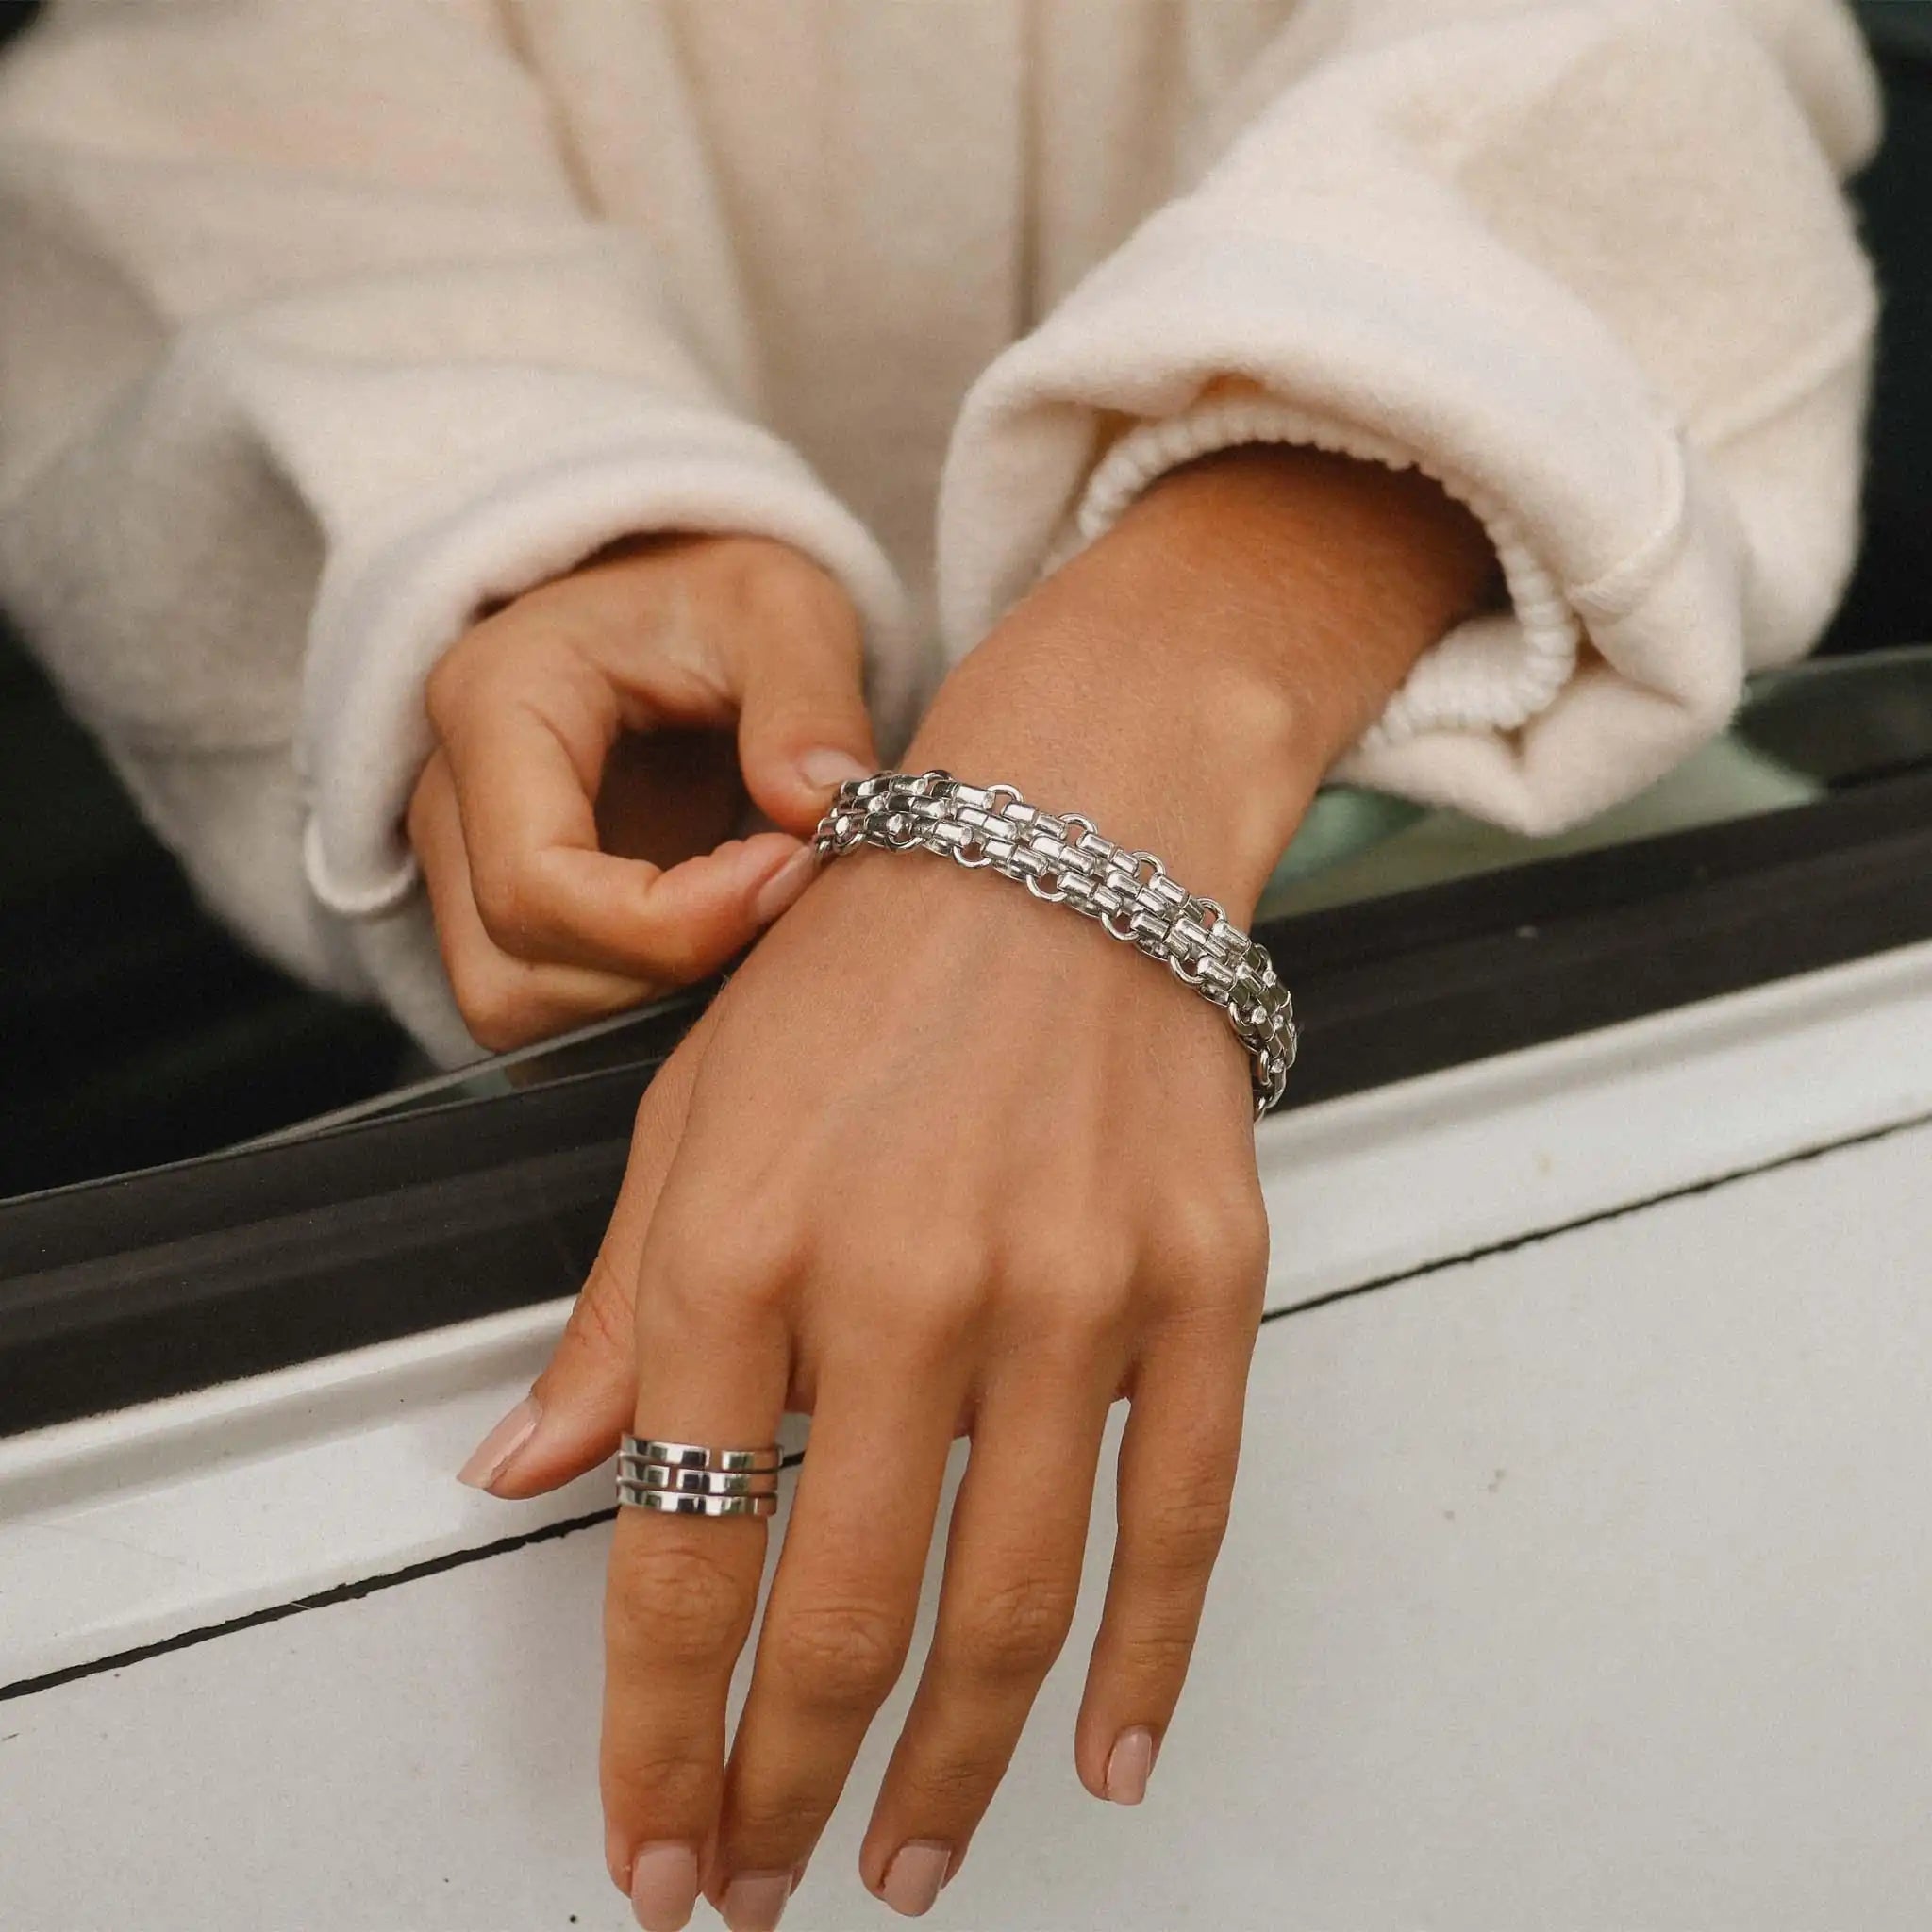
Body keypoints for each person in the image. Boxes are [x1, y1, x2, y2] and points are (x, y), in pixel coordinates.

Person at [0, 3, 1879, 1926]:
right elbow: (222, 114)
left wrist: (1155, 683)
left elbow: (1632, 54)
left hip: (1604, 918)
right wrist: (551, 531)